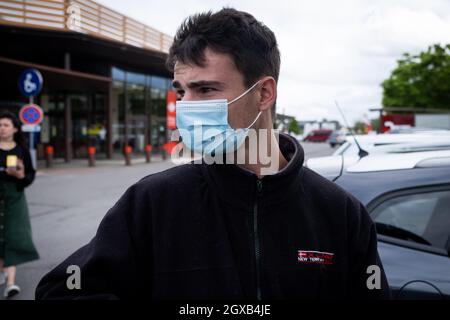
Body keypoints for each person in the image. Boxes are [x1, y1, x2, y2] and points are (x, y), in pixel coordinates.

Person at [36, 8, 390, 300]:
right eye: (181, 91)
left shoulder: (339, 213)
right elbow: (61, 290)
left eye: (205, 89)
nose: (186, 106)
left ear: (264, 94)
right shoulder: (153, 202)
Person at [0, 110, 39, 298]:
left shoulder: (21, 149)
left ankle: (11, 283)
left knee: (14, 236)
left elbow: (30, 175)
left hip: (15, 198)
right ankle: (3, 272)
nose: (1, 128)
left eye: (5, 125)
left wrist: (20, 176)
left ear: (15, 128)